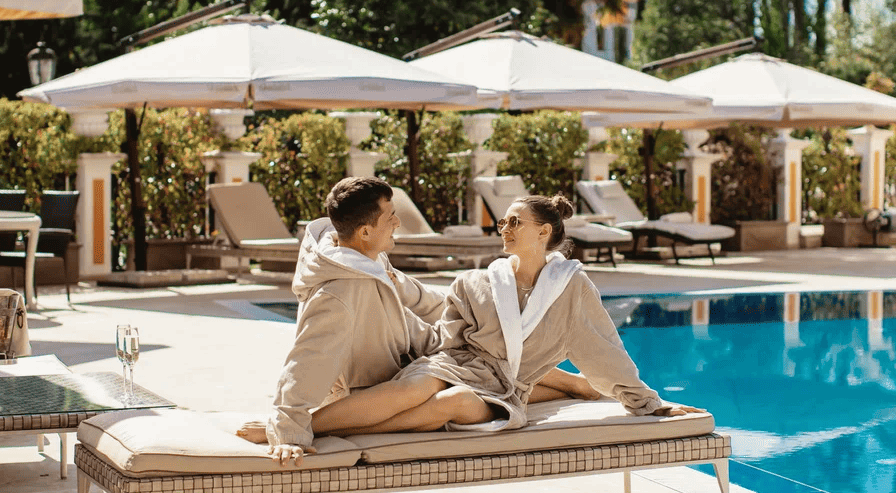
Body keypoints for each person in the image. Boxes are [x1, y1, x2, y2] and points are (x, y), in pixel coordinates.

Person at [275, 193, 702, 456]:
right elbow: (445, 339)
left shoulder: (571, 289)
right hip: (452, 362)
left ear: (544, 232)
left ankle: (316, 426)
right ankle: (295, 428)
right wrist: (390, 301)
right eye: (503, 222)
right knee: (413, 388)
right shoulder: (477, 281)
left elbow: (604, 348)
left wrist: (646, 402)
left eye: (515, 222)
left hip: (504, 388)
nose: (505, 228)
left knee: (455, 403)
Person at [241, 177, 596, 465]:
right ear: (365, 232)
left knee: (486, 344)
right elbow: (308, 357)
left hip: (413, 360)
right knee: (453, 381)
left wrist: (476, 313)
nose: (398, 222)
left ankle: (576, 385)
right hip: (378, 392)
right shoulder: (340, 290)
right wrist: (287, 427)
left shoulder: (369, 260)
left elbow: (424, 301)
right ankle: (575, 385)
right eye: (390, 217)